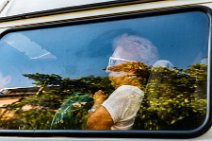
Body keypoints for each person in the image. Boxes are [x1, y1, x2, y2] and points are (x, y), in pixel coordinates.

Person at [86, 34, 157, 130]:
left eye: (113, 62)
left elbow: (92, 127)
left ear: (132, 68)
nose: (108, 69)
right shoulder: (140, 92)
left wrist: (97, 102)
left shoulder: (127, 92)